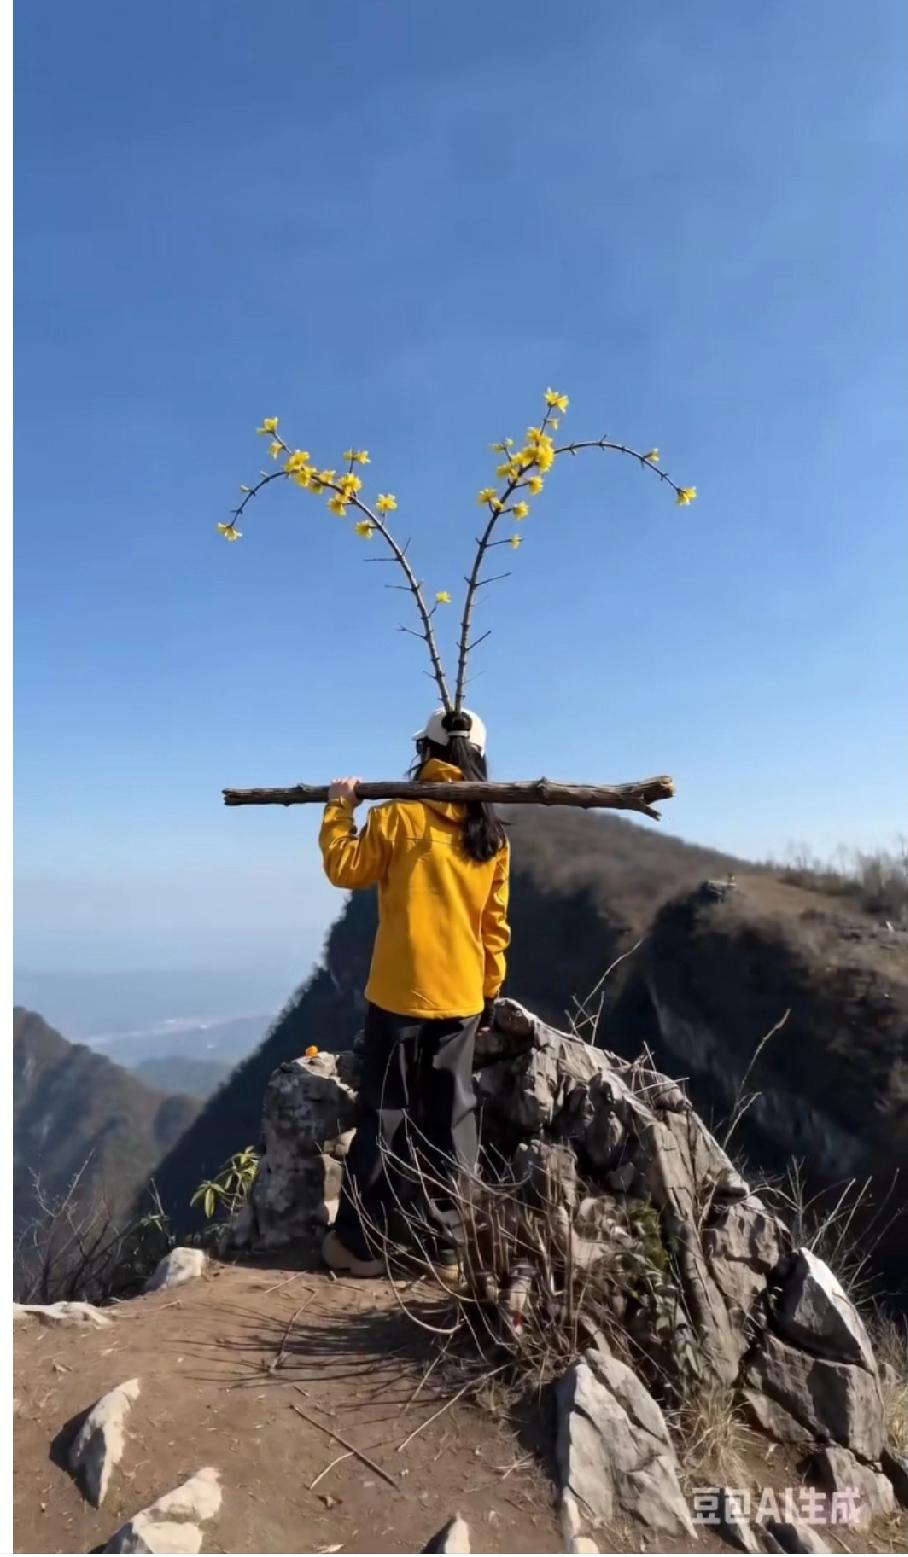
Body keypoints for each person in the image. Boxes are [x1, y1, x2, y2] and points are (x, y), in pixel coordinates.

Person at [317, 708, 511, 1278]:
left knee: (386, 1114)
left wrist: (339, 808)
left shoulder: (397, 815)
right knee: (453, 1119)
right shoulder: (490, 834)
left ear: (425, 751)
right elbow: (494, 925)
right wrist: (490, 990)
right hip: (463, 996)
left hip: (400, 994)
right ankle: (445, 1248)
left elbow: (345, 867)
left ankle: (361, 1245)